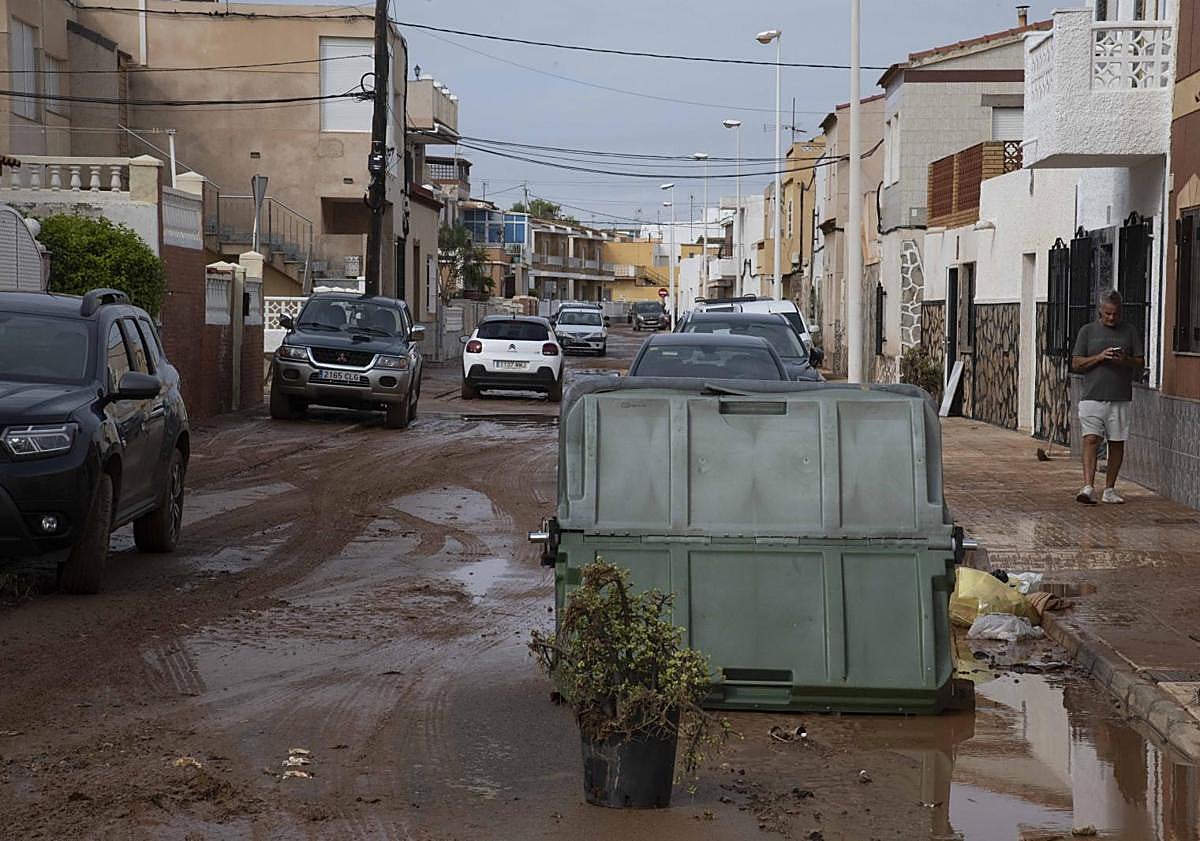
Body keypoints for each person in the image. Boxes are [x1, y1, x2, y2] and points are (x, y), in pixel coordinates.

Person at [1070, 289, 1144, 504]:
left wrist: (1124, 360)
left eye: (1116, 314)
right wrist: (1100, 357)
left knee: (1117, 442)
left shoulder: (1129, 331)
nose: (1112, 318)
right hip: (1092, 395)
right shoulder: (1087, 331)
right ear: (1100, 311)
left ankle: (1110, 489)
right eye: (1108, 314)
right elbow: (1076, 363)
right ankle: (1087, 487)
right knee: (1091, 439)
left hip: (1120, 397)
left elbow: (1140, 363)